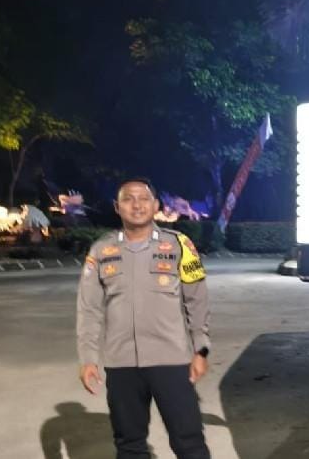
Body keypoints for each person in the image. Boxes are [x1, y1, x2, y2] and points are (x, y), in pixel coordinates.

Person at [76, 177, 212, 459]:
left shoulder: (180, 245)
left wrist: (201, 350)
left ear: (156, 205)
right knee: (129, 445)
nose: (136, 205)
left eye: (143, 198)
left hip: (171, 361)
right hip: (121, 364)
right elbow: (89, 308)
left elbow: (197, 300)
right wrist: (88, 358)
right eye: (128, 199)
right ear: (117, 207)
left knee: (189, 441)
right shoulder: (100, 250)